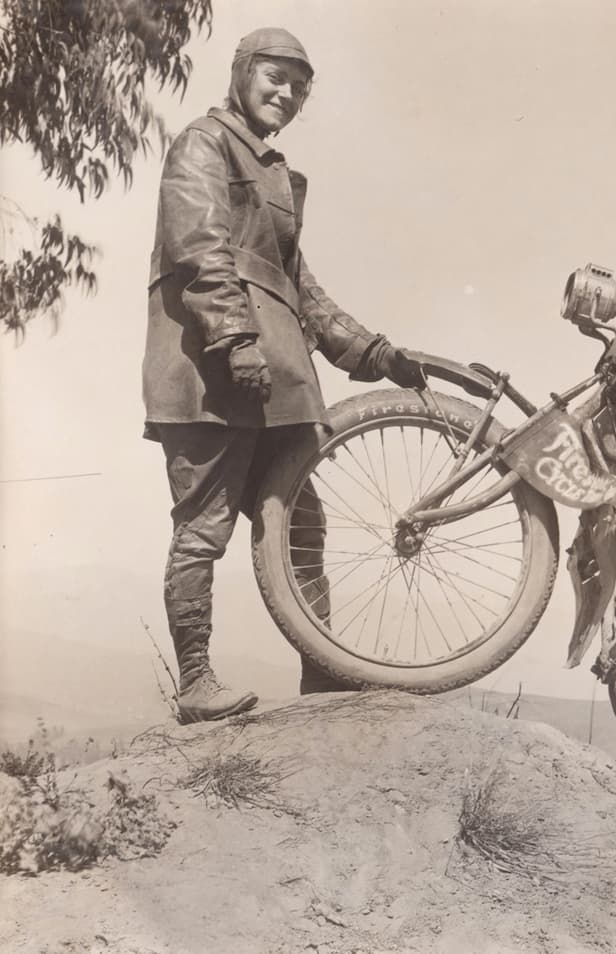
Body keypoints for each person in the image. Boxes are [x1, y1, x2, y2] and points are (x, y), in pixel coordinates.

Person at [142, 28, 426, 723]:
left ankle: (324, 674)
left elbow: (299, 290)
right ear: (241, 74)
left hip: (270, 383)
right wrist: (237, 340)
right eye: (275, 77)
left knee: (303, 525)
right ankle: (197, 683)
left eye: (300, 85)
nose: (287, 93)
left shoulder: (272, 170)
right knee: (204, 528)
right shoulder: (203, 144)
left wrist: (376, 353)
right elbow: (199, 248)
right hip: (208, 377)